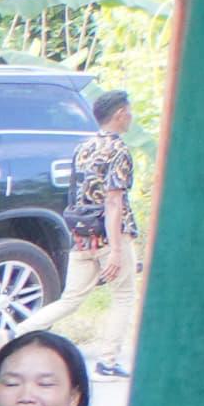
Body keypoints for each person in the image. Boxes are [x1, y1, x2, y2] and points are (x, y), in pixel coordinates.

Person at [70, 90, 139, 374]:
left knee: (69, 299)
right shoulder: (119, 151)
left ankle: (17, 334)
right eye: (129, 111)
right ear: (120, 114)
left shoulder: (83, 148)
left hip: (82, 233)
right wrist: (117, 248)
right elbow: (113, 201)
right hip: (110, 234)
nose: (131, 117)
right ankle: (108, 360)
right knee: (123, 297)